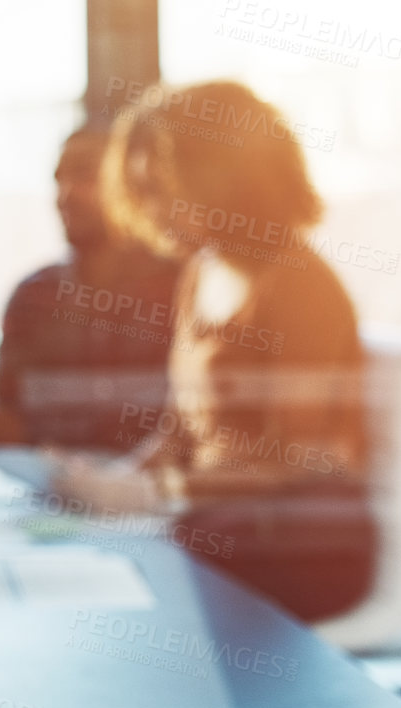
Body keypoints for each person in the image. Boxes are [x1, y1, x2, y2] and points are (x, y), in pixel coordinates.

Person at [51, 80, 376, 623]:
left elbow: (295, 460)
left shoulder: (302, 288)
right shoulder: (201, 272)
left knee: (143, 579)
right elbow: (181, 429)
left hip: (300, 543)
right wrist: (114, 480)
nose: (148, 212)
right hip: (216, 523)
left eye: (158, 190)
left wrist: (155, 492)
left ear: (223, 182)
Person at [0, 124, 179, 450]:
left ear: (133, 184)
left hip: (156, 493)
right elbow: (3, 422)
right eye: (59, 180)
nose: (65, 195)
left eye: (85, 176)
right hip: (51, 493)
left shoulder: (181, 291)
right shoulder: (34, 298)